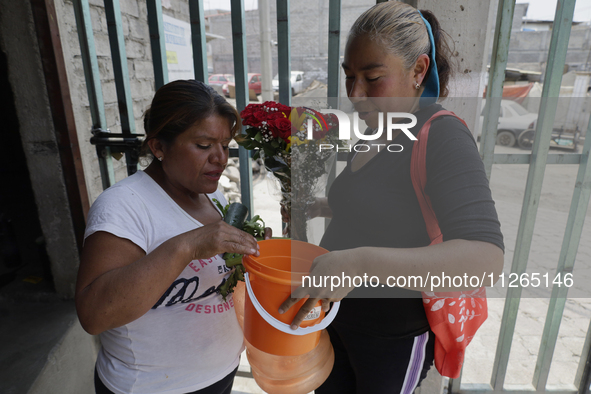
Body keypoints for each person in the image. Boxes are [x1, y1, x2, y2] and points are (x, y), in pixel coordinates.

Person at [279, 2, 505, 393]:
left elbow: (485, 260)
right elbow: (390, 205)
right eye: (350, 77)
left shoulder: (443, 137)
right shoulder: (378, 128)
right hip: (333, 320)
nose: (356, 94)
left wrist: (359, 264)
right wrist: (324, 206)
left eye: (372, 78)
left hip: (391, 338)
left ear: (418, 70)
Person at [76, 80, 269, 394]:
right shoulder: (124, 206)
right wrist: (187, 246)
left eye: (224, 144)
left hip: (219, 375)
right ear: (159, 147)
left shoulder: (210, 193)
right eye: (204, 146)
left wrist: (245, 252)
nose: (220, 158)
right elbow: (94, 315)